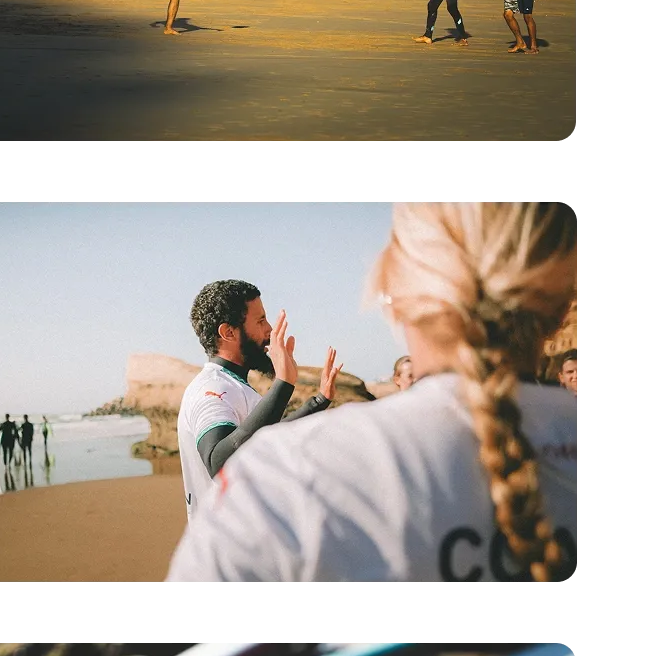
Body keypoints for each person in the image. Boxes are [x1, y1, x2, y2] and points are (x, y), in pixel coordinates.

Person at [165, 202, 579, 585]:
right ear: (563, 305)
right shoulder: (220, 399)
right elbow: (224, 455)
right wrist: (294, 391)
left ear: (394, 296)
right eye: (261, 321)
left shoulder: (286, 476)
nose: (271, 329)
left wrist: (309, 398)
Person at [174, 279, 341, 522]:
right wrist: (283, 383)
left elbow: (265, 438)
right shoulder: (212, 388)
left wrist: (319, 401)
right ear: (228, 332)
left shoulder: (233, 385)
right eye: (260, 321)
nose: (270, 330)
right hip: (231, 549)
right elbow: (219, 463)